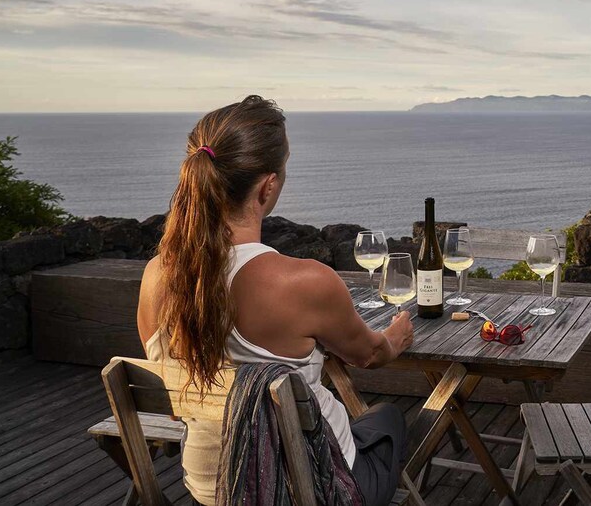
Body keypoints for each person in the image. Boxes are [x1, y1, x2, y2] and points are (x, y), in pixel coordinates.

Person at [136, 95, 414, 505]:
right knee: (387, 418)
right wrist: (395, 335)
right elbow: (368, 355)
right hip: (311, 488)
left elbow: (173, 398)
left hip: (209, 486)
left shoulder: (157, 274)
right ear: (268, 186)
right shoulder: (303, 281)